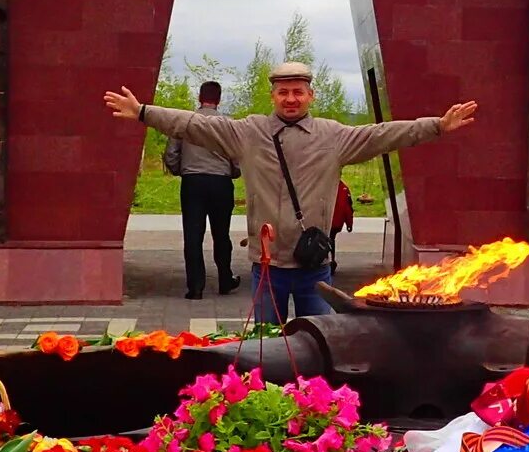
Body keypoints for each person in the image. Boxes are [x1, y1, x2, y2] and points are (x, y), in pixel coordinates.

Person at [106, 61, 477, 323]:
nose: (291, 99)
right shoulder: (248, 133)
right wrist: (143, 112)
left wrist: (437, 126)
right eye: (283, 92)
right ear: (273, 96)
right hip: (267, 267)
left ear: (310, 95)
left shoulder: (335, 136)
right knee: (266, 348)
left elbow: (383, 134)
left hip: (313, 268)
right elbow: (191, 124)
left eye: (298, 92)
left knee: (321, 342)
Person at [161, 79, 241, 300]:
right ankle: (225, 279)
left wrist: (181, 170)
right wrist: (233, 173)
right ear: (219, 99)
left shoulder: (184, 123)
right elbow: (237, 157)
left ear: (199, 98)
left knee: (193, 235)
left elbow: (171, 154)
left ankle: (195, 288)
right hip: (221, 184)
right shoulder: (228, 125)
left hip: (193, 183)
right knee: (221, 234)